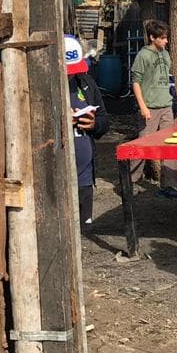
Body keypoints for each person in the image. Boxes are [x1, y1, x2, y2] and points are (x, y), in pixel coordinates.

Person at [129, 20, 177, 199]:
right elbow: (135, 81)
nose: (166, 41)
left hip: (166, 106)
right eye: (162, 38)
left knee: (171, 146)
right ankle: (131, 181)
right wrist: (143, 107)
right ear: (152, 38)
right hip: (150, 108)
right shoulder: (143, 56)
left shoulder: (165, 54)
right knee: (142, 145)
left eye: (166, 37)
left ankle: (170, 185)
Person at [65, 35, 110, 229]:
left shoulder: (87, 82)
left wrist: (94, 124)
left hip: (85, 174)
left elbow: (104, 120)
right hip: (60, 173)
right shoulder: (44, 87)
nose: (70, 76)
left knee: (84, 228)